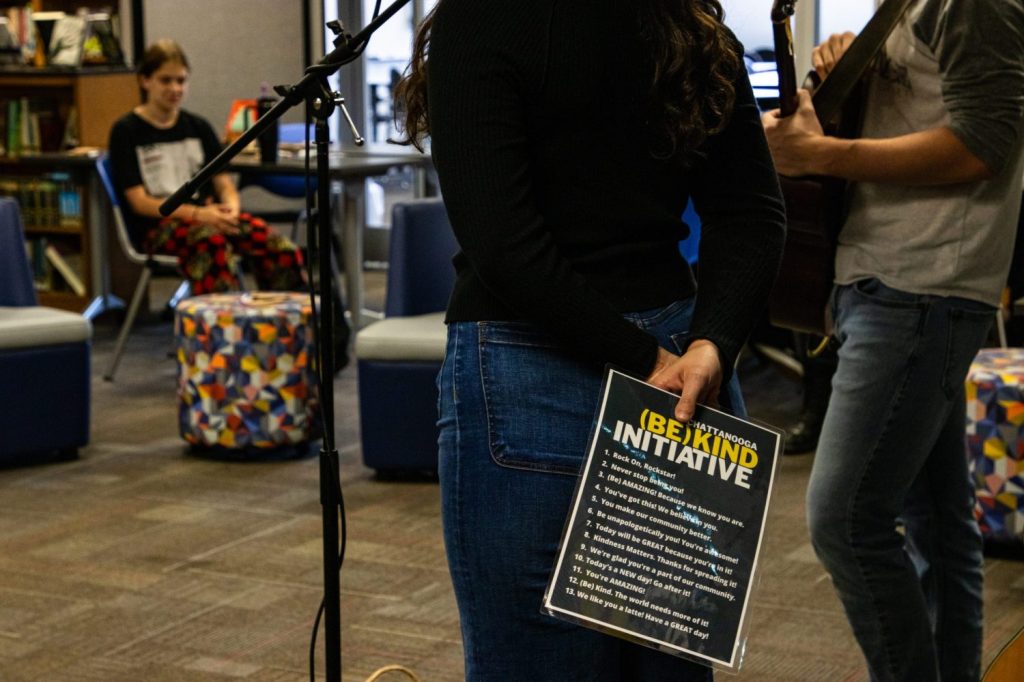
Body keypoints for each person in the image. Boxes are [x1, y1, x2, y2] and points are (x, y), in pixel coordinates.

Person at [394, 1, 786, 679]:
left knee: (538, 664)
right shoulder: (686, 18)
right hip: (670, 365)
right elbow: (751, 213)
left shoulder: (481, 17)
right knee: (664, 666)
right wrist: (704, 347)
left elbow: (503, 245)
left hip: (534, 362)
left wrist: (680, 354)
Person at [762, 1, 1024, 679]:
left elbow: (980, 145)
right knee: (938, 517)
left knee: (845, 520)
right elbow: (934, 95)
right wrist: (859, 63)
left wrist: (821, 154)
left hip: (921, 285)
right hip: (890, 277)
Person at [108, 39, 349, 366]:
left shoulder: (198, 126)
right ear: (145, 80)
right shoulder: (126, 131)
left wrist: (231, 206)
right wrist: (199, 214)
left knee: (279, 248)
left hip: (211, 216)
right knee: (213, 248)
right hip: (160, 227)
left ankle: (294, 341)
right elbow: (139, 203)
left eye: (181, 80)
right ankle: (225, 354)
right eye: (166, 80)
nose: (175, 88)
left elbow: (223, 181)